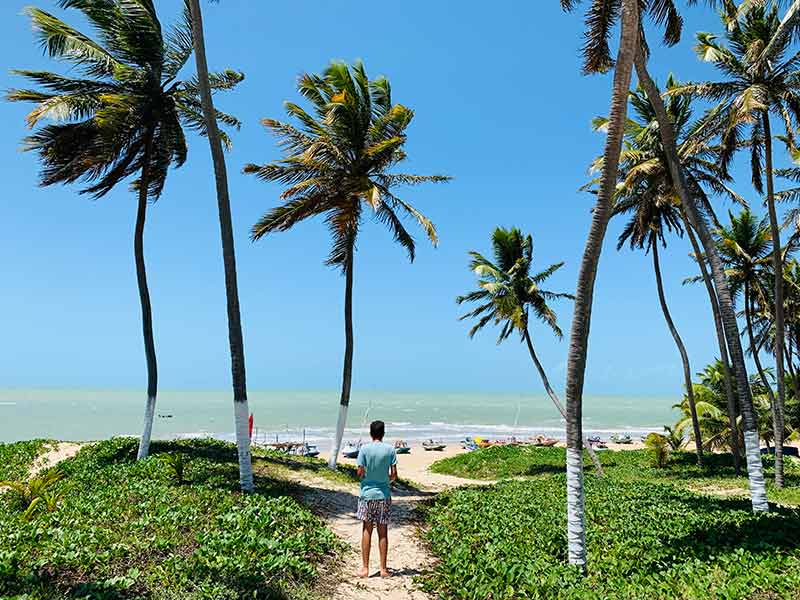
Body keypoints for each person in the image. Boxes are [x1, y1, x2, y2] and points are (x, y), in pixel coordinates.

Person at [356, 420, 397, 578]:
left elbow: (360, 473)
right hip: (384, 495)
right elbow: (394, 475)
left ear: (370, 433)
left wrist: (368, 478)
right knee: (383, 532)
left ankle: (365, 568)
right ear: (383, 433)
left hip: (367, 495)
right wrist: (385, 480)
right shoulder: (390, 450)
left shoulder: (364, 449)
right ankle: (383, 569)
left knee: (367, 530)